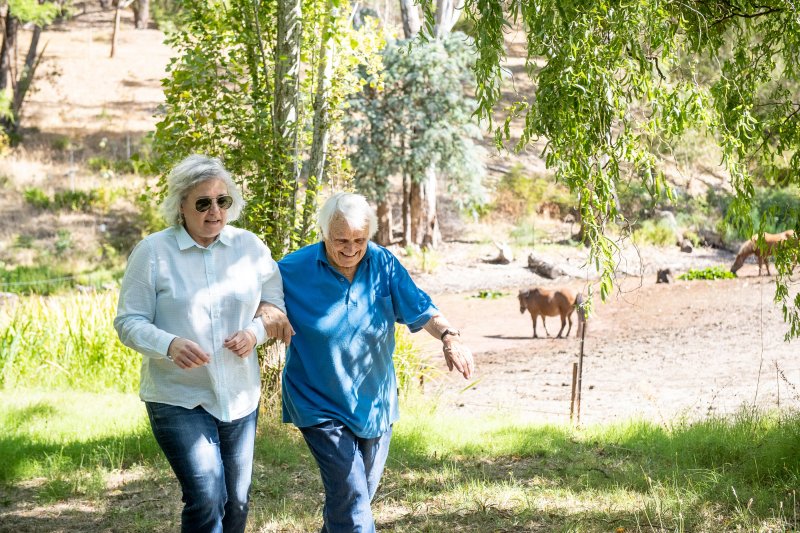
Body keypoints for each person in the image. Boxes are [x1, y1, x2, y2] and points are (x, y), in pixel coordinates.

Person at [275, 192, 474, 533]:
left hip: (375, 404)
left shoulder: (383, 263)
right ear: (324, 233)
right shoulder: (290, 269)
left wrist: (449, 336)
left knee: (350, 502)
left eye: (360, 240)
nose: (351, 249)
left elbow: (422, 309)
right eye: (341, 240)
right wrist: (266, 313)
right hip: (317, 401)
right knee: (352, 501)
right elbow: (256, 304)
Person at [114, 154, 293, 533]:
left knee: (237, 501)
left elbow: (274, 305)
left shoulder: (250, 247)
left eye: (222, 200)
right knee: (207, 496)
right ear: (181, 206)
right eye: (203, 203)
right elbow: (128, 322)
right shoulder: (153, 252)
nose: (215, 211)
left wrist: (254, 333)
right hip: (177, 397)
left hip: (239, 395)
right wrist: (169, 344)